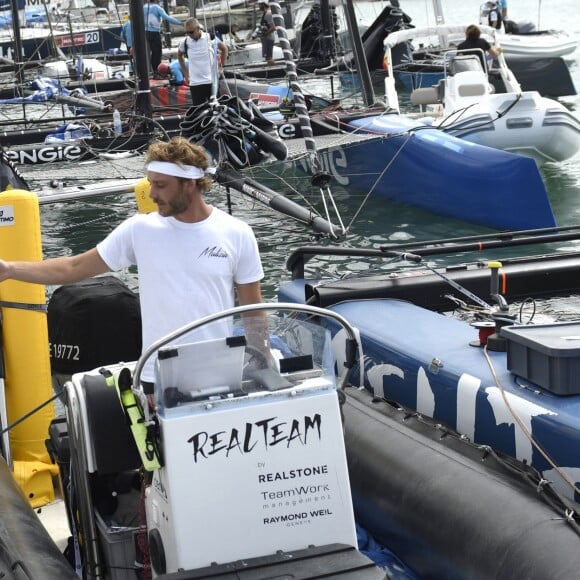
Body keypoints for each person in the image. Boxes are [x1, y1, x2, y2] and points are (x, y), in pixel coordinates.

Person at [0, 137, 265, 390]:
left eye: (161, 185)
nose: (152, 193)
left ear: (190, 184)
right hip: (156, 376)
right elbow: (73, 268)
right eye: (150, 184)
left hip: (220, 373)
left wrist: (264, 364)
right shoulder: (140, 229)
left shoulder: (237, 232)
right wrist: (10, 269)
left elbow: (253, 310)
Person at [177, 18, 228, 107]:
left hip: (211, 82)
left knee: (216, 109)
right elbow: (179, 56)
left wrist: (221, 67)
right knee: (198, 111)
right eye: (187, 32)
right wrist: (185, 73)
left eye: (191, 32)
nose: (189, 35)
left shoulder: (210, 37)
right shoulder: (185, 42)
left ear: (198, 28)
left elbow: (224, 49)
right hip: (195, 83)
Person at [144, 0, 182, 75]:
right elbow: (167, 18)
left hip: (144, 33)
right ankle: (157, 72)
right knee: (157, 53)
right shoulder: (157, 8)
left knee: (149, 53)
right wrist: (180, 23)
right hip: (154, 33)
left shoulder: (143, 7)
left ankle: (151, 71)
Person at [258, 1, 276, 66]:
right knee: (267, 57)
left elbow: (273, 27)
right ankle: (270, 68)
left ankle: (273, 69)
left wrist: (265, 34)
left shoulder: (268, 14)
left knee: (269, 57)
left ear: (263, 5)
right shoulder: (266, 13)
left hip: (268, 38)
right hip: (266, 38)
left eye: (259, 4)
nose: (259, 6)